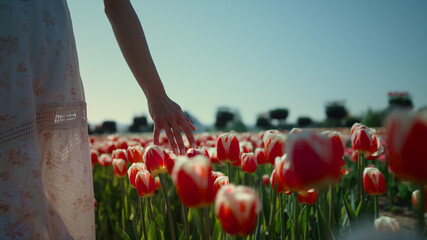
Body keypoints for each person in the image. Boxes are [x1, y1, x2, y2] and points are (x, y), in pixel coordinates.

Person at [0, 0, 195, 239]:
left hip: (43, 43)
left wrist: (155, 93)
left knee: (34, 202)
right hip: (36, 39)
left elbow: (117, 4)